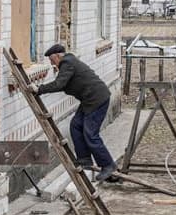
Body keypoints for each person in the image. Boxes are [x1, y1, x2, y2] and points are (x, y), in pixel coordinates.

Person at [30, 44, 117, 182]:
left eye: (53, 61)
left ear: (58, 56)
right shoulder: (69, 62)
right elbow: (62, 83)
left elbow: (59, 84)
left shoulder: (67, 63)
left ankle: (108, 165)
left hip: (97, 99)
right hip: (89, 100)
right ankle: (84, 160)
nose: (53, 64)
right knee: (76, 125)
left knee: (90, 134)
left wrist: (39, 89)